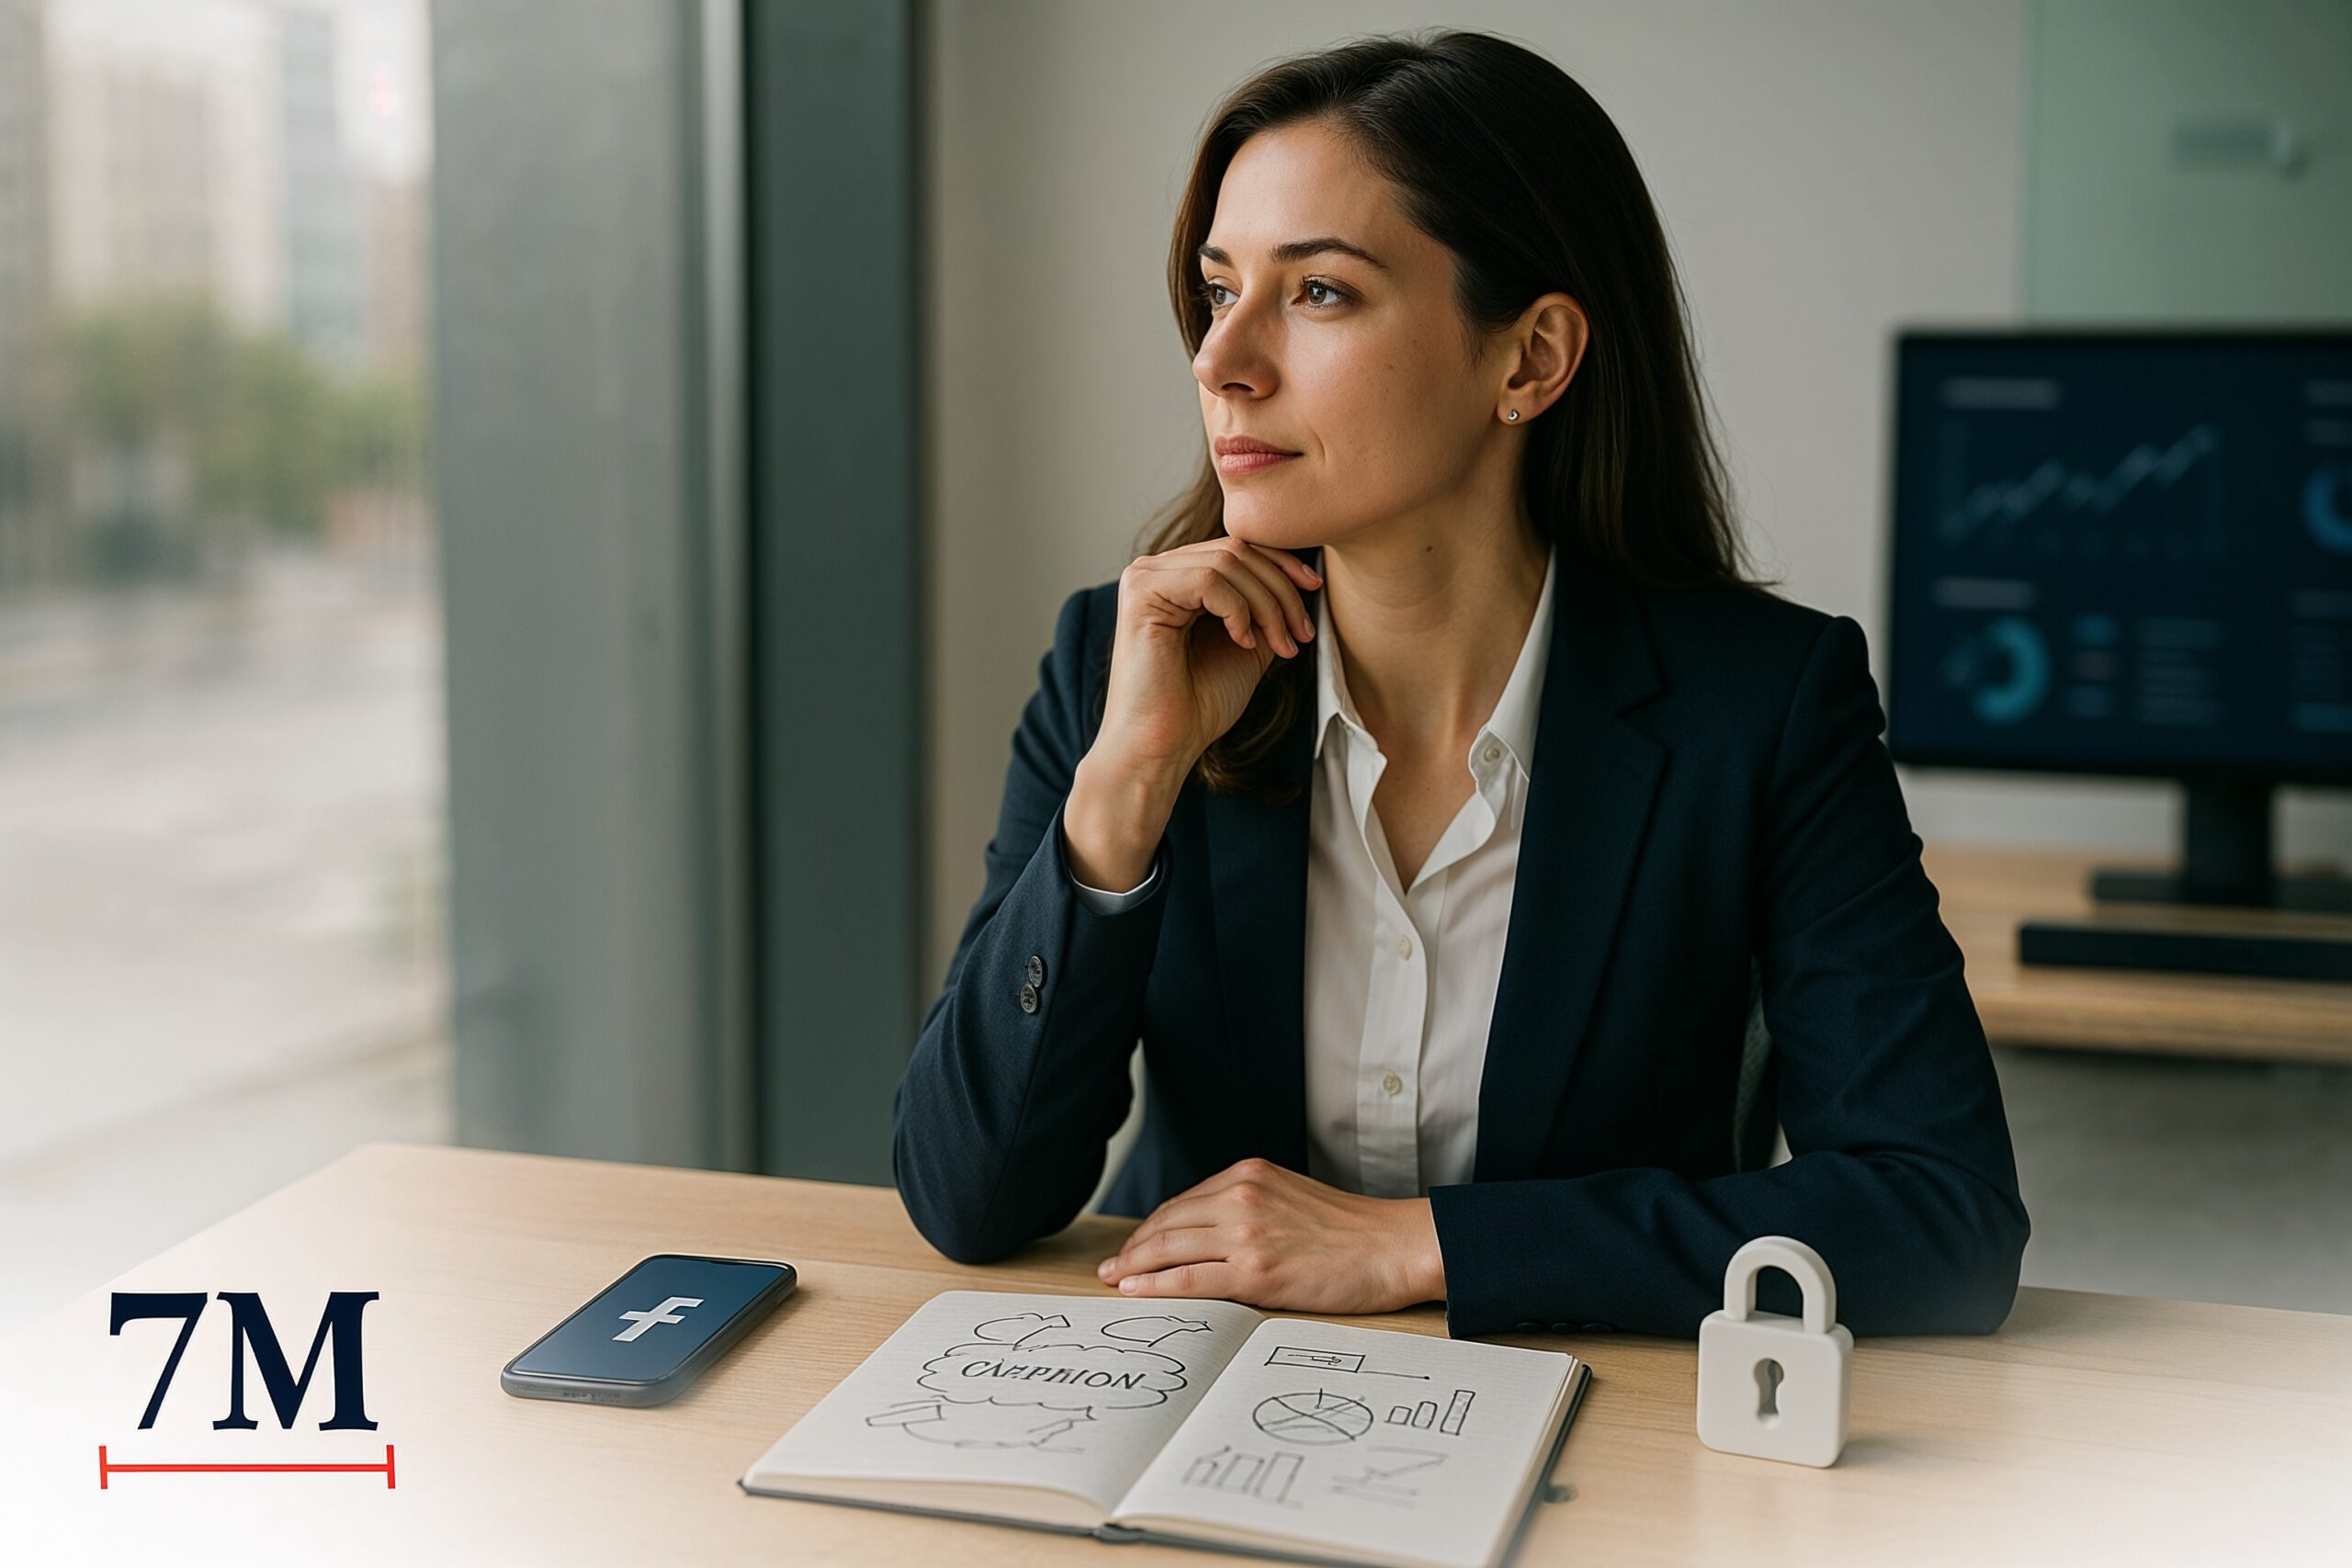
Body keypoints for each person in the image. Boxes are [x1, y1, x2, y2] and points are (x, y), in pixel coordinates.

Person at [893, 28, 2029, 1338]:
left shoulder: (1762, 707)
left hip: (1596, 1442)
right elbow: (966, 1196)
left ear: (1531, 360)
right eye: (1219, 291)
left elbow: (1940, 1214)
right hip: (1187, 1414)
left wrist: (1422, 1247)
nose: (1222, 361)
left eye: (1318, 293)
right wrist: (1124, 789)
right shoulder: (1123, 663)